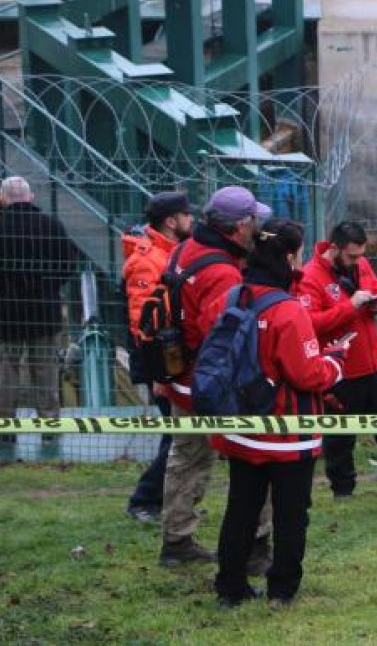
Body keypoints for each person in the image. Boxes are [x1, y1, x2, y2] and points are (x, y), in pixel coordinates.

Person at [212, 219, 348, 610]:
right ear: (291, 256)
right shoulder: (289, 311)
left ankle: (230, 586)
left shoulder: (234, 296)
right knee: (291, 513)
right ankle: (282, 589)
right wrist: (335, 362)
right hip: (289, 430)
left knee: (240, 507)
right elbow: (307, 375)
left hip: (242, 425)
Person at [159, 186, 272, 568]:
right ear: (241, 226)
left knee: (186, 458)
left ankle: (176, 541)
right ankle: (256, 546)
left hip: (181, 376)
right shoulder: (222, 273)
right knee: (253, 456)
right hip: (213, 385)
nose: (258, 226)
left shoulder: (184, 249)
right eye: (255, 220)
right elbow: (222, 338)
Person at [297, 221, 377, 499]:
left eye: (361, 255)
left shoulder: (361, 264)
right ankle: (343, 490)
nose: (359, 261)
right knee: (341, 436)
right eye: (353, 256)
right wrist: (351, 305)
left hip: (374, 364)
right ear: (334, 249)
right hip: (340, 371)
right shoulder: (310, 277)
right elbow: (309, 324)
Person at [0, 176, 78, 463]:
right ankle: (49, 426)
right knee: (45, 371)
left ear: (3, 199)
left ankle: (4, 428)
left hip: (4, 315)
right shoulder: (51, 227)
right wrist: (48, 287)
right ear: (30, 197)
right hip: (44, 311)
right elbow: (68, 266)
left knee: (5, 373)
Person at [123, 191, 194, 522]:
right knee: (179, 435)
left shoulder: (174, 253)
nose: (192, 220)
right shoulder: (146, 260)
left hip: (174, 357)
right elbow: (144, 325)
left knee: (182, 433)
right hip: (161, 361)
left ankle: (168, 501)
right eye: (187, 215)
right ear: (171, 221)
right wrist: (158, 375)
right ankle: (146, 499)